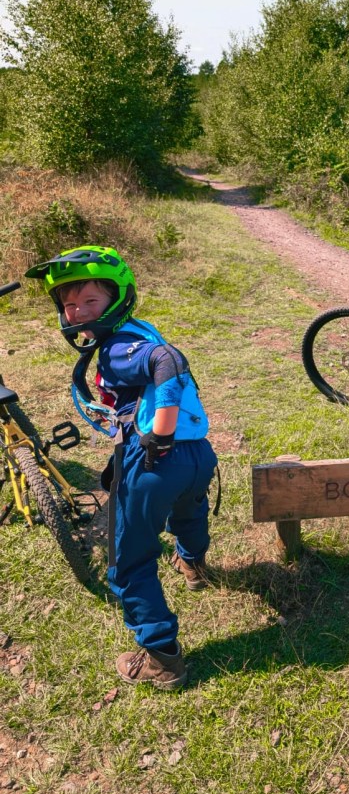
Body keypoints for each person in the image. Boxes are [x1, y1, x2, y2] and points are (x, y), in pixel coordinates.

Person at [25, 246, 218, 690]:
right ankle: (193, 565)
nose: (77, 313)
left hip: (155, 459)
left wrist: (161, 434)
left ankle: (161, 659)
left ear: (117, 298)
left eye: (90, 302)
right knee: (188, 511)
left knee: (128, 560)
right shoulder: (139, 329)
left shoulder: (115, 349)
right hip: (198, 454)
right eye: (69, 305)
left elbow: (164, 361)